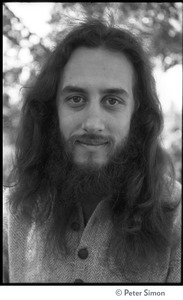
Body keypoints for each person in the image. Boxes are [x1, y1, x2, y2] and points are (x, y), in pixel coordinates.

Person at [3, 18, 181, 283]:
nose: (93, 124)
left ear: (137, 113)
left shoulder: (176, 217)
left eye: (112, 101)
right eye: (76, 99)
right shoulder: (10, 214)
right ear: (53, 110)